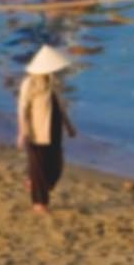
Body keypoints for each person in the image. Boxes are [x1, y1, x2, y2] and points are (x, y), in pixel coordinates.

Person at [15, 45, 77, 214]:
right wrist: (22, 131)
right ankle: (39, 203)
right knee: (39, 168)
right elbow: (23, 108)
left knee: (56, 165)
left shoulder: (50, 81)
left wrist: (68, 125)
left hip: (53, 128)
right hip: (37, 131)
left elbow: (58, 106)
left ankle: (34, 183)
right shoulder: (30, 83)